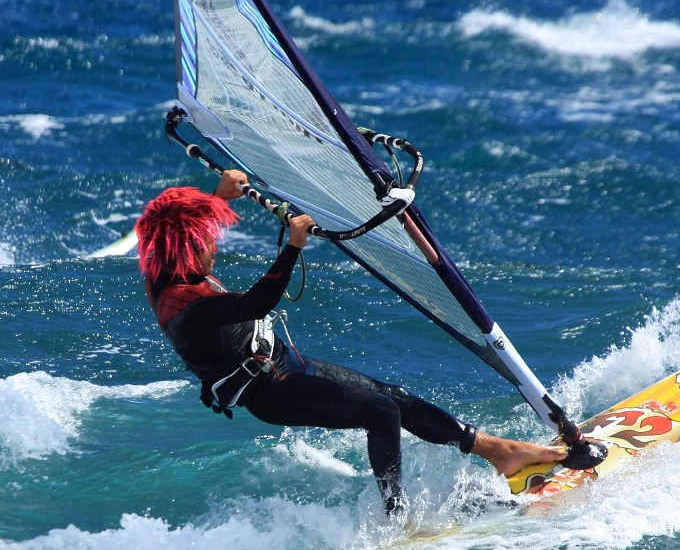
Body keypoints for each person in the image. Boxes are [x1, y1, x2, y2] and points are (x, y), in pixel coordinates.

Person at [136, 169, 565, 514]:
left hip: (283, 363)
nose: (214, 246)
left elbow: (178, 219)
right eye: (206, 241)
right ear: (187, 249)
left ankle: (498, 451)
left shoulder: (165, 266)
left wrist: (219, 195)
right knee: (380, 411)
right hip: (270, 392)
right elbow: (257, 302)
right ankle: (397, 517)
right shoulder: (188, 304)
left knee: (395, 398)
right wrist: (293, 247)